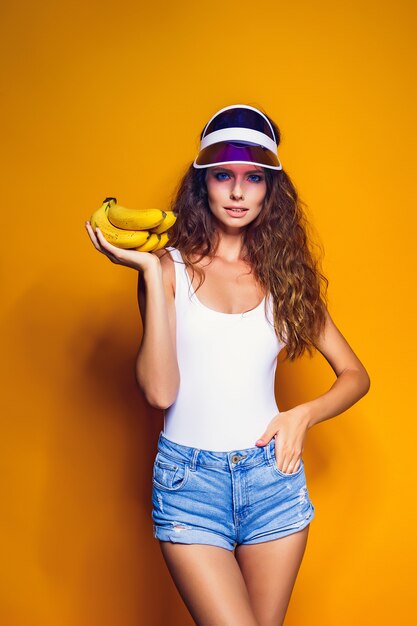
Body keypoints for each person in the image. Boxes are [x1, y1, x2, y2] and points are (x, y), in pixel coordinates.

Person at [85, 103, 371, 626]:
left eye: (253, 178)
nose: (238, 193)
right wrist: (150, 271)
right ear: (204, 185)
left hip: (272, 480)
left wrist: (301, 415)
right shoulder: (167, 268)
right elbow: (159, 393)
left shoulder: (286, 279)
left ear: (269, 189)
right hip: (188, 485)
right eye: (223, 176)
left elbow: (356, 375)